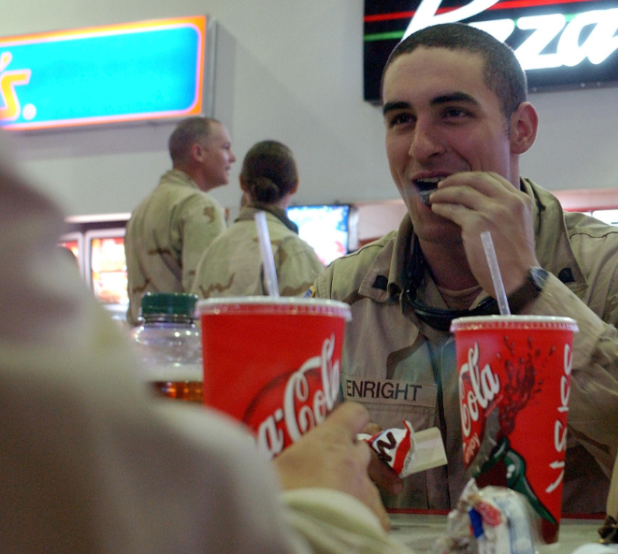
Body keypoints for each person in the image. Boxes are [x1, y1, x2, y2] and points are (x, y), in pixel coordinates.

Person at [310, 23, 618, 513]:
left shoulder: (616, 270)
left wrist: (529, 289)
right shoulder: (342, 292)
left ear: (521, 129)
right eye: (401, 120)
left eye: (452, 113)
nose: (421, 146)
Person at [0, 129, 412, 554]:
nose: (229, 155)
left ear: (245, 186)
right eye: (224, 147)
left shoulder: (152, 214)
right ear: (293, 187)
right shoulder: (218, 218)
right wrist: (316, 510)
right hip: (228, 444)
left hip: (160, 384)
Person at [125, 117, 236, 324]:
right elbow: (208, 299)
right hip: (183, 348)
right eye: (225, 148)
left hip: (142, 346)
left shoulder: (142, 208)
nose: (233, 158)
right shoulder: (199, 206)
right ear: (198, 153)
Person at [193, 141, 322, 298]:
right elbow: (314, 319)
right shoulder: (291, 249)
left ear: (241, 183)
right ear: (295, 185)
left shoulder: (214, 249)